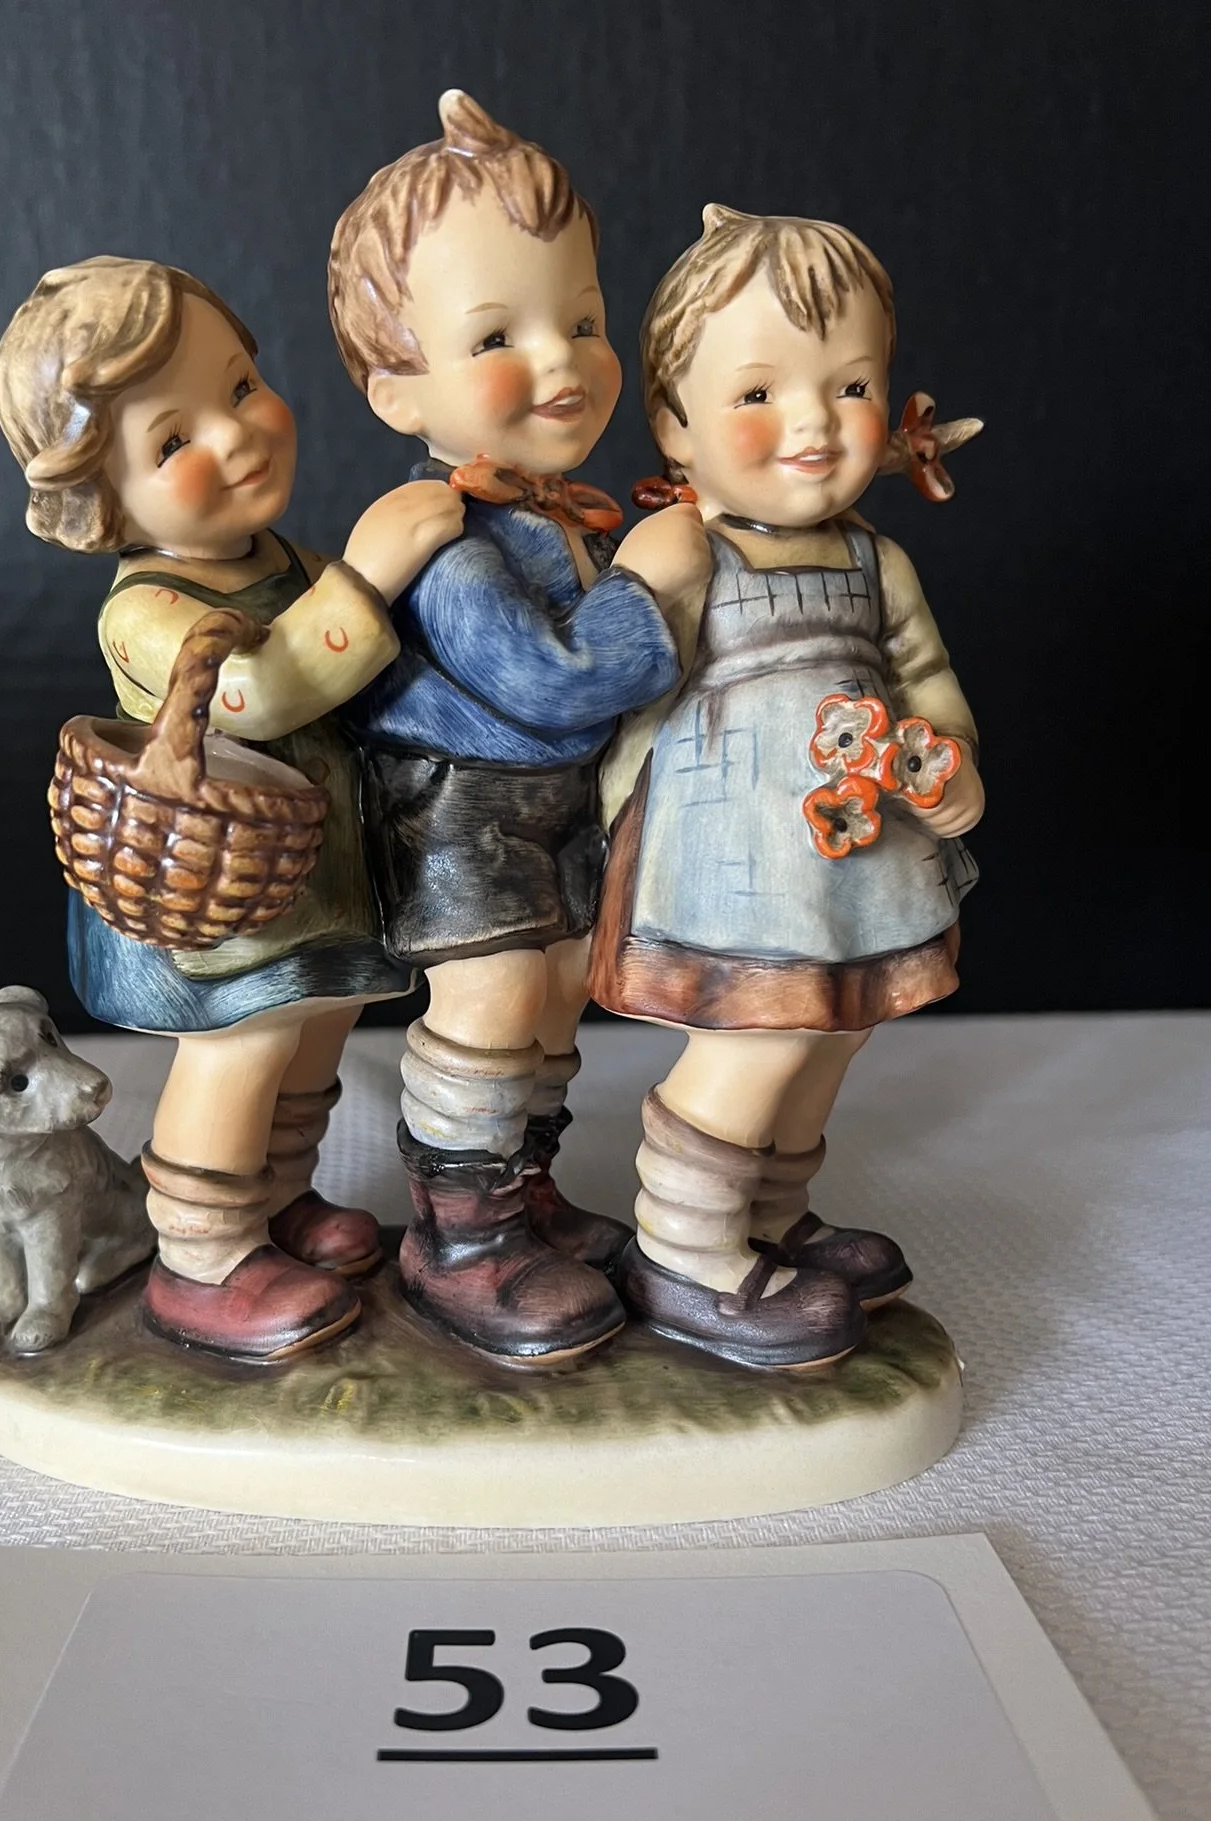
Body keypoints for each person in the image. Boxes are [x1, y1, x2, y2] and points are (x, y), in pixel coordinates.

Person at [0, 256, 463, 1360]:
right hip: (220, 893)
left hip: (316, 868)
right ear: (103, 498)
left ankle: (278, 1197)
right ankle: (202, 1253)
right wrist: (369, 576)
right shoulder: (146, 610)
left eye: (242, 386)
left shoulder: (285, 558)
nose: (237, 432)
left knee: (314, 1039)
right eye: (172, 442)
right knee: (242, 1049)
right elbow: (262, 691)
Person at [327, 90, 709, 1367]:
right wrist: (647, 589)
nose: (563, 361)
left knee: (549, 1000)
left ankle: (523, 1191)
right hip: (463, 813)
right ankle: (461, 1238)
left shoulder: (555, 517)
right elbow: (547, 681)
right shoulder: (450, 543)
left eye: (583, 321)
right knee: (492, 1002)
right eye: (499, 333)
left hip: (550, 810)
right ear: (398, 388)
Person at [589, 206, 985, 1371]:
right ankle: (684, 1244)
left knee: (837, 1031)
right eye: (760, 392)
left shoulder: (876, 560)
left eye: (850, 385)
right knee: (759, 1036)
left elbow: (925, 678)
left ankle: (772, 1211)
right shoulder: (684, 551)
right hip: (733, 861)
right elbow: (600, 689)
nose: (814, 421)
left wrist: (950, 757)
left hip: (860, 858)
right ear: (674, 423)